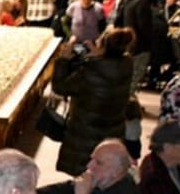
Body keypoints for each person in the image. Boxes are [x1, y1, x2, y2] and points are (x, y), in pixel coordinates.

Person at [51, 27, 136, 175]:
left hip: (85, 135)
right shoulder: (126, 66)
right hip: (112, 132)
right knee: (104, 175)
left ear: (103, 48)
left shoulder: (90, 72)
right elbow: (107, 67)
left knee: (85, 174)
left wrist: (63, 60)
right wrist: (96, 57)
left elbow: (60, 87)